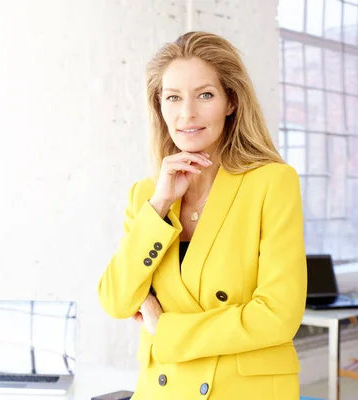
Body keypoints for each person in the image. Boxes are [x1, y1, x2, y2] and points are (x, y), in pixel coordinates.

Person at [97, 31, 307, 399]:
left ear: (231, 101)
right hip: (163, 390)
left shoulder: (272, 182)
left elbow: (278, 315)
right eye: (173, 97)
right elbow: (116, 301)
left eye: (205, 95)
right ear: (159, 106)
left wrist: (164, 328)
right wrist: (160, 204)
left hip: (243, 390)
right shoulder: (146, 195)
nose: (187, 113)